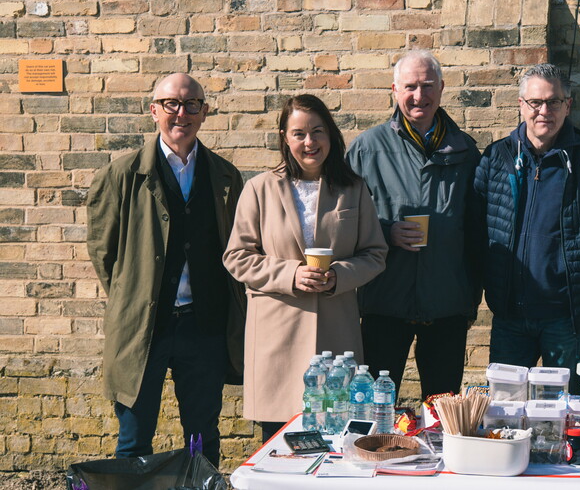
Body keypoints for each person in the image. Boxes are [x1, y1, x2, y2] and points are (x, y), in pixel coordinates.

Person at [86, 73, 245, 467]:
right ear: (154, 110)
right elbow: (104, 253)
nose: (181, 113)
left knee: (202, 438)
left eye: (192, 104)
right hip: (144, 326)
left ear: (205, 112)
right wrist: (136, 294)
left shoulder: (226, 176)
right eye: (171, 103)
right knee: (134, 438)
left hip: (204, 324)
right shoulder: (120, 175)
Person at [223, 94, 387, 442]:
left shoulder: (353, 189)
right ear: (284, 137)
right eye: (299, 133)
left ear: (331, 135)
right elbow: (237, 256)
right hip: (276, 339)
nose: (309, 142)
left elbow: (375, 253)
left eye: (317, 131)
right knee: (278, 446)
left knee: (336, 445)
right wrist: (290, 275)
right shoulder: (259, 189)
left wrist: (338, 277)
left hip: (336, 338)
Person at [346, 50, 482, 399]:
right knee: (376, 408)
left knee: (441, 410)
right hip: (383, 301)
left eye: (427, 85)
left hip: (447, 302)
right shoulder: (366, 149)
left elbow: (479, 229)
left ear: (441, 88)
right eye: (410, 86)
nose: (419, 96)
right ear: (394, 90)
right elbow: (342, 222)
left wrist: (471, 297)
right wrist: (386, 231)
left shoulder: (465, 151)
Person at [475, 63, 580, 395]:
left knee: (560, 411)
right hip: (510, 313)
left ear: (568, 105)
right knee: (504, 408)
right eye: (535, 102)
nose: (544, 111)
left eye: (554, 102)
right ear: (521, 104)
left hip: (565, 317)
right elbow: (471, 227)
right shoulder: (497, 158)